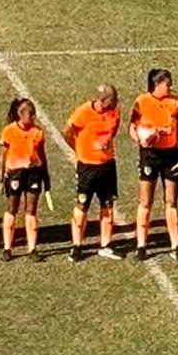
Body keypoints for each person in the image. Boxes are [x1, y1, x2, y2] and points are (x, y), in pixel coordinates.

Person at [128, 68, 178, 260]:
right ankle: (141, 245)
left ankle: (175, 246)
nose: (170, 87)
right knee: (146, 201)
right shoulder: (142, 101)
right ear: (157, 84)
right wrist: (141, 140)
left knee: (171, 201)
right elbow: (132, 128)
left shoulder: (175, 102)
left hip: (171, 155)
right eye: (167, 83)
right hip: (150, 155)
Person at [63, 84, 122, 262]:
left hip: (107, 166)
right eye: (113, 99)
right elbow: (67, 132)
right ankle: (77, 246)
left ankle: (105, 245)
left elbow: (113, 131)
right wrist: (79, 150)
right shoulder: (83, 112)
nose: (116, 102)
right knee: (82, 206)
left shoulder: (114, 112)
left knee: (107, 206)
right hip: (87, 168)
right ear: (104, 100)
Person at [0, 98, 49, 261]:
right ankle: (7, 247)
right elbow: (3, 156)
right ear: (21, 114)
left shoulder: (38, 132)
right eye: (30, 114)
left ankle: (32, 248)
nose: (33, 117)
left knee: (31, 209)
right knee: (12, 207)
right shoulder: (9, 131)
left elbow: (42, 155)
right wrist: (1, 178)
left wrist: (46, 177)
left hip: (33, 173)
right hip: (15, 173)